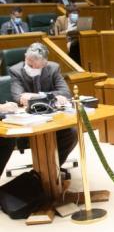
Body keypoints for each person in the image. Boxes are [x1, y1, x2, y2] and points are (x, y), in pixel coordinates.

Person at [3, 43, 78, 174]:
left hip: (53, 118)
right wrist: (52, 96)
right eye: (30, 64)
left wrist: (36, 96)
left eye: (37, 66)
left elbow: (65, 93)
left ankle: (52, 168)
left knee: (71, 133)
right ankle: (43, 173)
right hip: (28, 120)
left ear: (45, 63)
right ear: (25, 58)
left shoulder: (53, 68)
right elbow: (18, 97)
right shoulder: (16, 70)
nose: (32, 68)